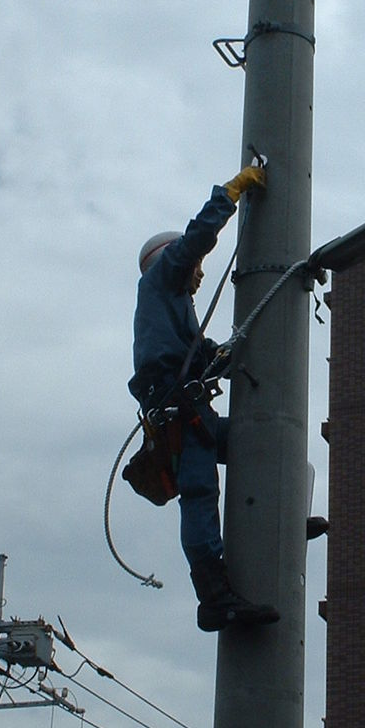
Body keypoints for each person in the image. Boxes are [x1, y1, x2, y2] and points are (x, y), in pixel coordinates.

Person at [129, 166, 280, 632]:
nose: (199, 274)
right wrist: (229, 194)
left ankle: (282, 513)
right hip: (178, 410)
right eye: (194, 266)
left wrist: (225, 356)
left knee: (256, 443)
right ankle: (214, 598)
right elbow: (195, 241)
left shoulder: (171, 309)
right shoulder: (160, 283)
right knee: (199, 492)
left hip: (187, 406)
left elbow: (197, 357)